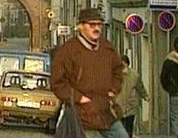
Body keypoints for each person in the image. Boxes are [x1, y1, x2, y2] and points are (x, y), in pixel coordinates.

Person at [51, 8, 128, 137]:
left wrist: (113, 90)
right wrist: (79, 98)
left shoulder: (107, 48)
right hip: (82, 115)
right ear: (81, 26)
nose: (96, 28)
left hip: (106, 111)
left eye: (99, 25)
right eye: (91, 25)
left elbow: (118, 71)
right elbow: (57, 83)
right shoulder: (68, 51)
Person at [115, 55, 149, 138]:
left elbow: (139, 86)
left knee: (129, 127)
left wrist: (145, 96)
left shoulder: (134, 75)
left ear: (126, 64)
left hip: (130, 105)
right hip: (119, 104)